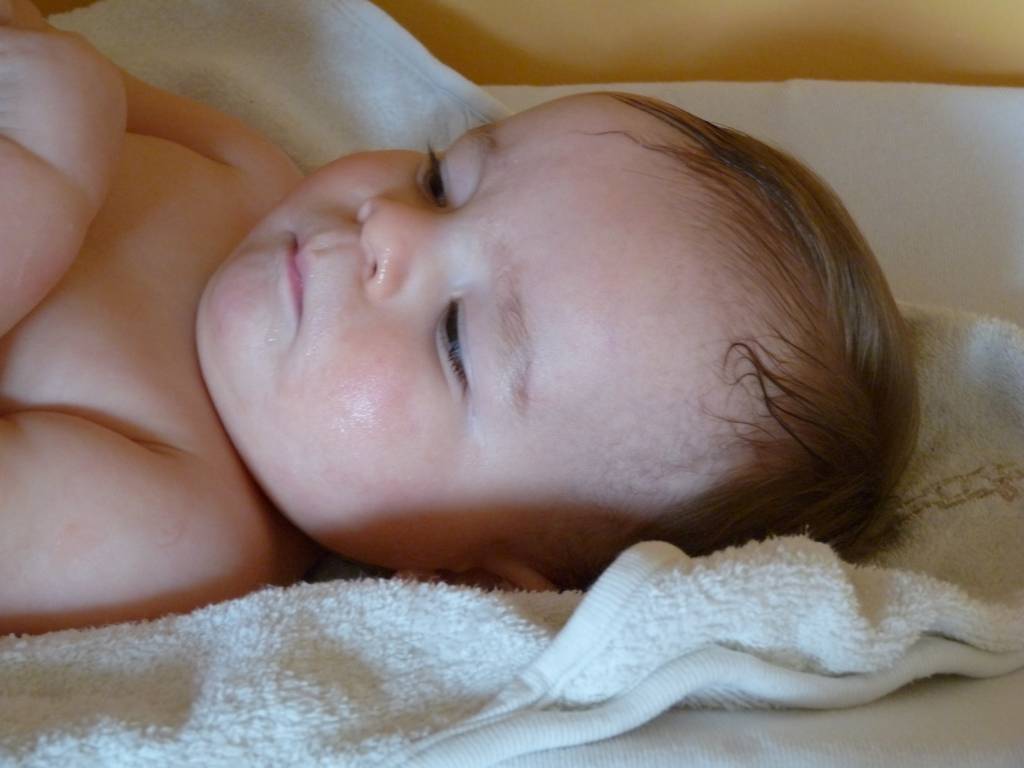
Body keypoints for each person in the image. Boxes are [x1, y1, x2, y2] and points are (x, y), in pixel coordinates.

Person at [0, 0, 918, 635]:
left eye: (453, 339)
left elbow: (58, 98)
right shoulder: (250, 174)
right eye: (443, 181)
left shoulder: (173, 527)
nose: (391, 226)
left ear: (467, 578)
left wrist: (44, 195)